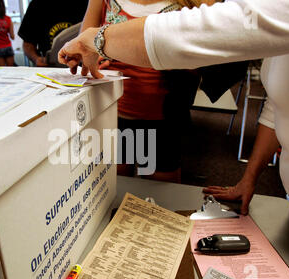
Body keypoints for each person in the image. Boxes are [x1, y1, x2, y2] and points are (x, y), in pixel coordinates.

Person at [58, 0, 289, 276]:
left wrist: (97, 38)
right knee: (119, 188)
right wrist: (250, 177)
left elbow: (205, 30)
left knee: (162, 194)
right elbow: (277, 105)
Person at [81, 0, 216, 183]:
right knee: (114, 191)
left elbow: (212, 56)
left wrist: (180, 60)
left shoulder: (194, 3)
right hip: (112, 113)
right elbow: (84, 46)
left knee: (158, 199)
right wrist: (91, 58)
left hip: (163, 119)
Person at [17, 0, 88, 67]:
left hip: (83, 67)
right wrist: (36, 59)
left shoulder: (88, 3)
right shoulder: (37, 5)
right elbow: (28, 44)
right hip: (50, 68)